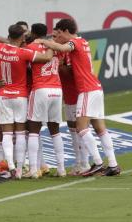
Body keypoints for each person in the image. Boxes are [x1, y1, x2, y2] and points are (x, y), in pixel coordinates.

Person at [40, 18, 121, 176]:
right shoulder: (83, 41)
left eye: (60, 33)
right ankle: (113, 164)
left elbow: (62, 46)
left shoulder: (75, 42)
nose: (59, 36)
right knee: (100, 129)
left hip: (87, 89)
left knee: (81, 128)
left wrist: (43, 41)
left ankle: (97, 163)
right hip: (96, 87)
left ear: (65, 31)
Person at [0, 24, 53, 179]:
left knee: (7, 133)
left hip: (4, 94)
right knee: (21, 132)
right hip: (20, 95)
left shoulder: (0, 48)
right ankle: (18, 169)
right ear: (23, 37)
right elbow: (47, 58)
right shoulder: (24, 53)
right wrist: (50, 45)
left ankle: (10, 164)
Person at [25, 23, 65, 178]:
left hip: (40, 89)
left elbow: (24, 65)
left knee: (33, 129)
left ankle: (34, 169)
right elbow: (60, 61)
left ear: (33, 33)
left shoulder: (30, 47)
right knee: (55, 131)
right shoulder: (54, 47)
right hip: (57, 89)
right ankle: (61, 169)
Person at [56, 28, 90, 176]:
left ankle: (86, 163)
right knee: (72, 132)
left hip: (78, 94)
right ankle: (78, 163)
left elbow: (70, 73)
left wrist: (59, 66)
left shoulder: (70, 50)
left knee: (80, 131)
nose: (55, 38)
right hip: (69, 96)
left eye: (57, 35)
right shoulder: (61, 51)